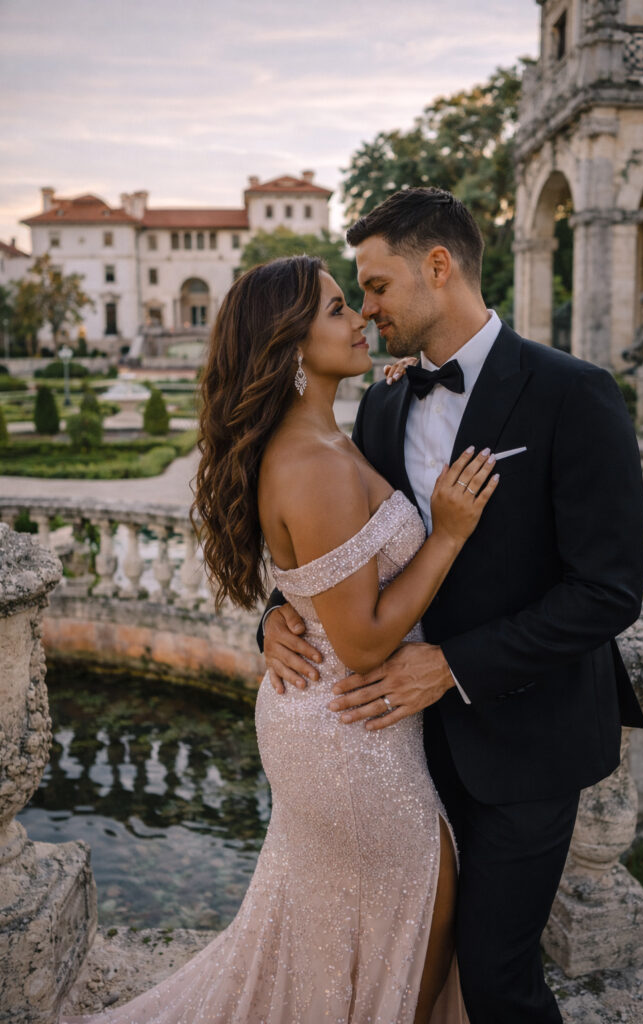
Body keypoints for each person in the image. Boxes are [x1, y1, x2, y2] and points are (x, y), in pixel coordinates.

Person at [59, 253, 501, 1024]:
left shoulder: (328, 441)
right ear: (289, 345)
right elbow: (361, 642)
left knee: (358, 923)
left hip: (342, 715)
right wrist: (448, 533)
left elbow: (316, 580)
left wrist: (275, 613)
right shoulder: (313, 465)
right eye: (337, 309)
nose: (359, 316)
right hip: (347, 723)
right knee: (423, 907)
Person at [260, 187, 643, 1024]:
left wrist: (453, 666)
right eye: (355, 295)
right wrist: (277, 611)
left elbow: (608, 589)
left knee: (497, 977)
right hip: (401, 751)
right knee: (413, 962)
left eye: (374, 286)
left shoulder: (575, 394)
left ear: (437, 268)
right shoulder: (383, 401)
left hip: (528, 739)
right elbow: (342, 544)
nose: (365, 311)